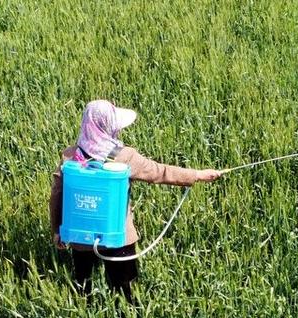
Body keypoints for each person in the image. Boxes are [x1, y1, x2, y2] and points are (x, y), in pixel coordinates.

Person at [49, 99, 221, 304]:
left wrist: (57, 230)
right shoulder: (124, 157)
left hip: (80, 238)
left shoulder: (70, 157)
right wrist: (197, 175)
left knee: (82, 285)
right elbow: (160, 172)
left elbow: (56, 197)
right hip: (118, 237)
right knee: (126, 290)